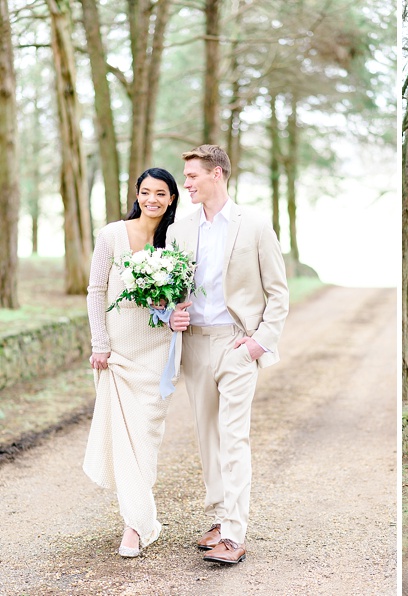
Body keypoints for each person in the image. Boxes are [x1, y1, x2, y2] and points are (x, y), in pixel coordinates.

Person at [167, 144, 289, 565]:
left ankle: (235, 534)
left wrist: (259, 342)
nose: (186, 184)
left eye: (193, 176)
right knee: (207, 437)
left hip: (237, 344)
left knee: (234, 437)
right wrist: (170, 317)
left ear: (217, 174)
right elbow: (169, 294)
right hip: (194, 345)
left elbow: (277, 292)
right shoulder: (179, 230)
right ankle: (219, 518)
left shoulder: (254, 224)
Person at [83, 168, 181, 557]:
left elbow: (182, 295)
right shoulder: (111, 235)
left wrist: (168, 305)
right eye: (145, 192)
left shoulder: (175, 240)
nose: (152, 199)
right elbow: (95, 291)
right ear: (136, 195)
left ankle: (138, 521)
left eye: (160, 193)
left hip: (157, 350)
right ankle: (136, 526)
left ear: (172, 198)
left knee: (145, 436)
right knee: (124, 437)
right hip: (118, 352)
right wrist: (100, 343)